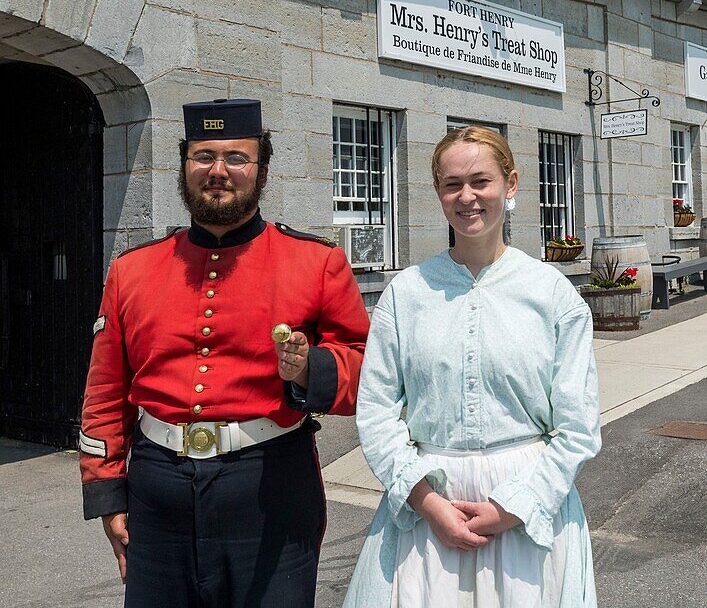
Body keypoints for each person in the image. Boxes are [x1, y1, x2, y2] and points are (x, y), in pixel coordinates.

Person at [78, 98, 371, 606]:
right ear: (185, 164)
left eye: (236, 157)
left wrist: (310, 369)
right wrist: (106, 492)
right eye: (203, 156)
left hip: (272, 488)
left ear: (261, 169)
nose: (218, 171)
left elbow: (368, 370)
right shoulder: (132, 270)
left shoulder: (317, 262)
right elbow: (104, 392)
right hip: (156, 492)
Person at [343, 127, 601, 607]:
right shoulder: (408, 293)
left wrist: (514, 506)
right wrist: (427, 501)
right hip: (429, 512)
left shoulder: (551, 294)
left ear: (512, 184)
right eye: (451, 184)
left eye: (480, 181)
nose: (467, 197)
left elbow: (579, 426)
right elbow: (375, 411)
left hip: (527, 511)